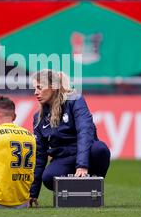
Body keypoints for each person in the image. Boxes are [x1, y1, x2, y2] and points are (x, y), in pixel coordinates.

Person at [29, 69, 111, 207]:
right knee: (48, 178)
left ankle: (93, 186)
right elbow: (40, 156)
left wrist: (82, 165)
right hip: (63, 158)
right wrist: (32, 193)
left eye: (39, 87)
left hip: (85, 153)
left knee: (100, 149)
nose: (35, 92)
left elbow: (85, 131)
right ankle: (78, 192)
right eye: (34, 88)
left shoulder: (75, 100)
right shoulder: (38, 118)